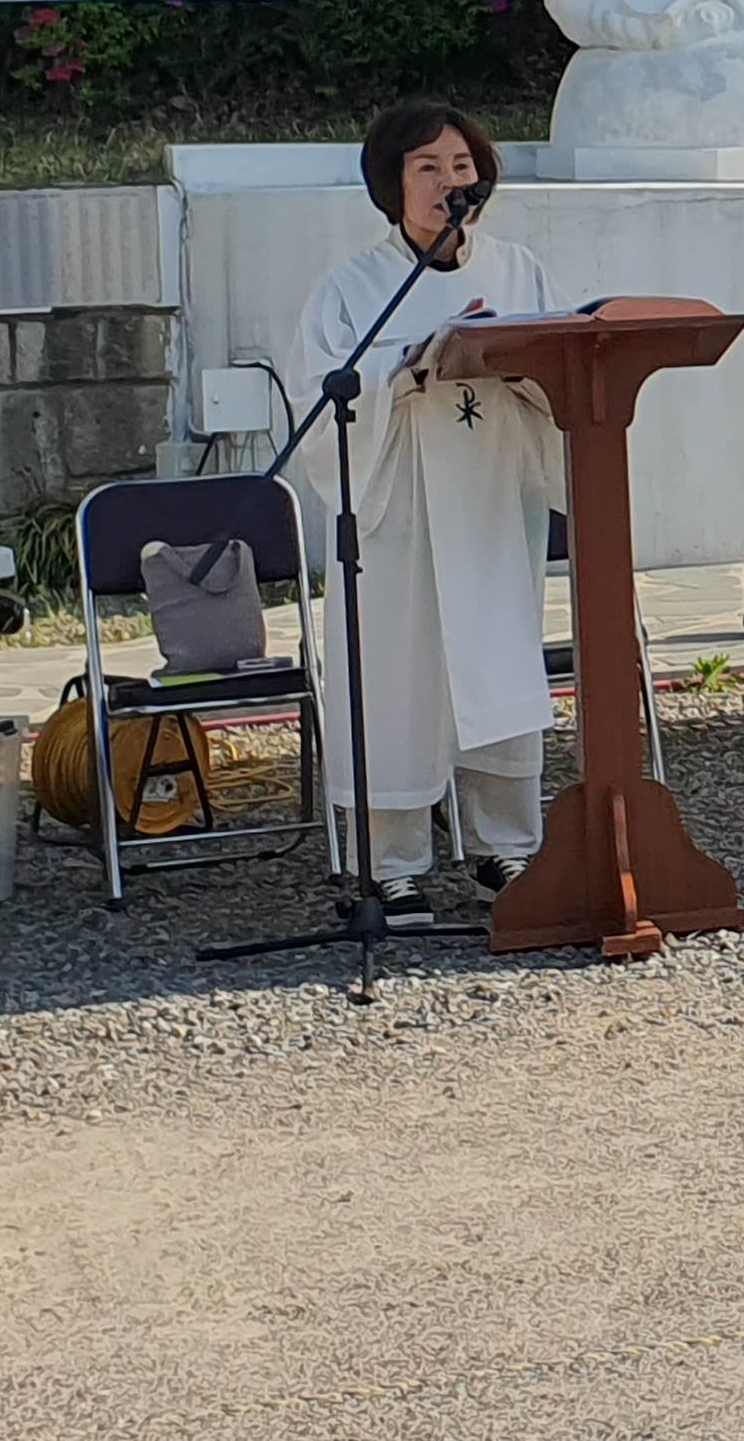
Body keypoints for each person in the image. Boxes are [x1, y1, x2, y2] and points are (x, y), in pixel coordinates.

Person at [291, 106, 569, 929]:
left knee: (496, 664)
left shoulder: (518, 271)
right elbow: (322, 405)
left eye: (461, 166)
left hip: (490, 500)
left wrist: (519, 368)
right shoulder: (351, 289)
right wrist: (407, 372)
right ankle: (392, 865)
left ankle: (505, 847)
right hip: (400, 508)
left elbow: (565, 368)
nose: (450, 182)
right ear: (392, 184)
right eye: (428, 167)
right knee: (397, 678)